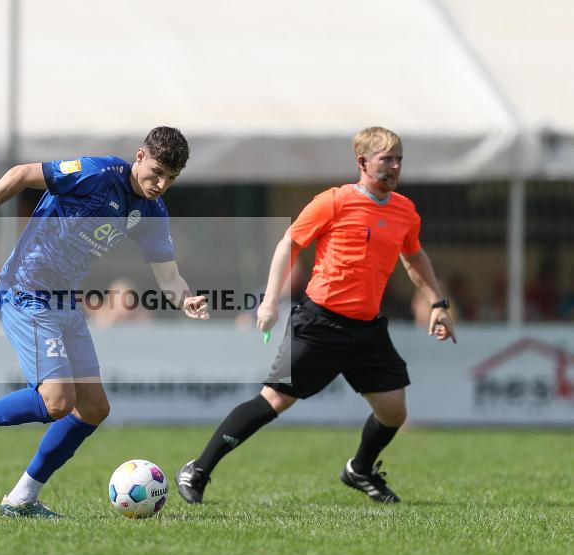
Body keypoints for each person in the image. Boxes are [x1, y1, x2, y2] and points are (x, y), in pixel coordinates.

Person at [0, 126, 208, 518]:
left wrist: (186, 299)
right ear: (140, 156)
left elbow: (169, 278)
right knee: (57, 401)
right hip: (25, 290)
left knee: (93, 408)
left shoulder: (151, 212)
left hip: (64, 301)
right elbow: (20, 174)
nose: (160, 184)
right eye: (157, 172)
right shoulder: (96, 173)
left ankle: (21, 499)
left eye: (171, 179)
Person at [177, 126, 456, 505]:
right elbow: (289, 243)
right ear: (362, 162)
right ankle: (199, 469)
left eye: (399, 159)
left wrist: (438, 304)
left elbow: (414, 256)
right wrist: (270, 301)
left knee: (393, 411)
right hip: (319, 324)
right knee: (274, 401)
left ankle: (359, 469)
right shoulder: (334, 201)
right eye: (386, 159)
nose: (394, 166)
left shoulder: (404, 210)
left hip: (367, 331)